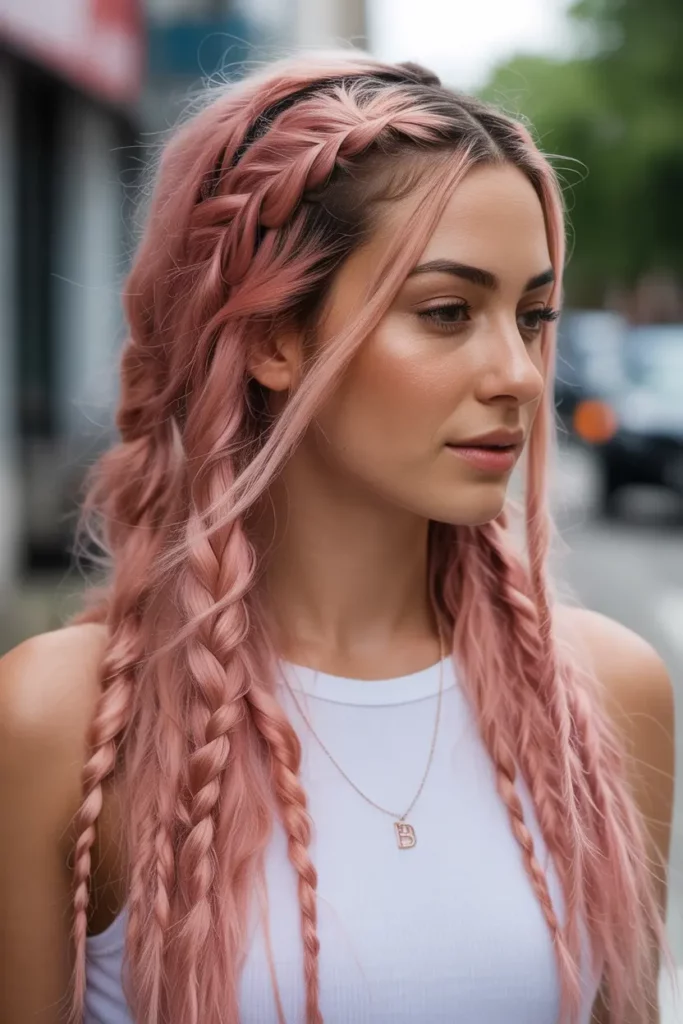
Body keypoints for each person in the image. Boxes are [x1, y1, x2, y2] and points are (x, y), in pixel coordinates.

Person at [0, 52, 675, 1024]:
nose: (519, 375)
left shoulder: (602, 700)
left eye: (531, 316)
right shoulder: (65, 725)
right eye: (446, 312)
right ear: (273, 337)